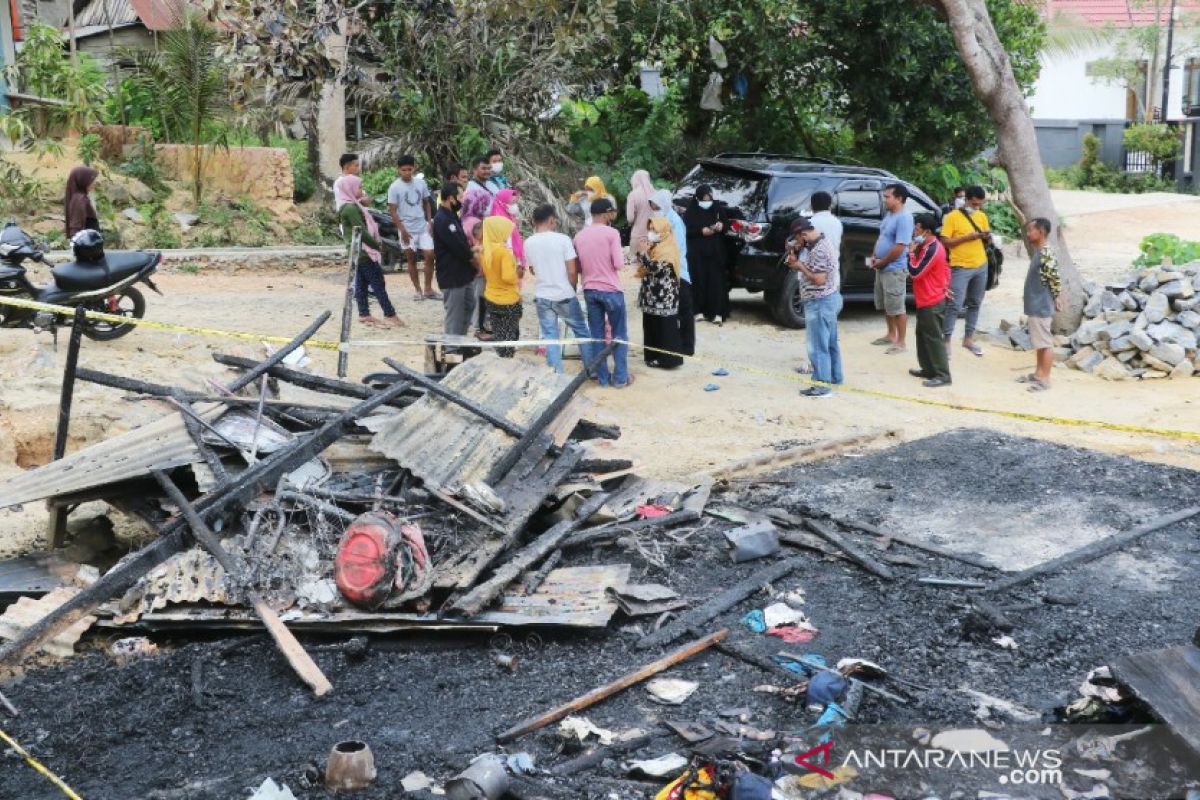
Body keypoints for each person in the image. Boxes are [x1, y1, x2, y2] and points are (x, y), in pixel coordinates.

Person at [526, 204, 593, 373]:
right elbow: (572, 270)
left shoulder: (528, 242)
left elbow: (533, 269)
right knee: (581, 332)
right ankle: (591, 370)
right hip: (564, 294)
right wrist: (571, 288)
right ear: (551, 220)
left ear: (534, 222)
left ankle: (556, 374)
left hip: (542, 295)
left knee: (550, 337)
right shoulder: (563, 240)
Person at [574, 197, 630, 388]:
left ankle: (603, 378)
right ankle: (621, 378)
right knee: (619, 333)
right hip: (611, 290)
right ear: (606, 213)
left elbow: (579, 267)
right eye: (612, 212)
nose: (614, 215)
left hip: (590, 290)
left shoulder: (579, 236)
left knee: (597, 335)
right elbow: (619, 264)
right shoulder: (612, 233)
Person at [786, 217, 842, 398]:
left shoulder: (819, 250)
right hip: (827, 299)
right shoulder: (818, 243)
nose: (797, 242)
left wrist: (800, 266)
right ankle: (835, 377)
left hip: (820, 302)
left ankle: (821, 386)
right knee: (830, 343)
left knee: (817, 347)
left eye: (797, 238)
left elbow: (819, 279)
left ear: (803, 234)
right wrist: (796, 256)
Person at [335, 175, 402, 328]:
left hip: (357, 251)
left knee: (362, 283)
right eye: (358, 187)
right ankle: (389, 314)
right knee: (377, 282)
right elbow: (362, 232)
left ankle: (364, 314)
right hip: (364, 251)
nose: (361, 189)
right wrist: (378, 245)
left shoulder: (350, 206)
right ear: (350, 189)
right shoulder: (351, 209)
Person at [939, 184, 991, 357]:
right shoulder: (952, 217)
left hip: (980, 264)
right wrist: (967, 238)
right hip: (960, 266)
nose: (977, 208)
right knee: (954, 304)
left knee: (975, 303)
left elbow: (984, 238)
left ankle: (968, 338)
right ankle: (946, 340)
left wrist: (986, 237)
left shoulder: (982, 216)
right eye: (974, 204)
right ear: (966, 200)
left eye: (979, 205)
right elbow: (945, 241)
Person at [907, 213, 952, 388]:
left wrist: (910, 254)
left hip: (932, 300)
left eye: (916, 229)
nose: (914, 232)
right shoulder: (926, 246)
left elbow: (916, 272)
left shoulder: (933, 249)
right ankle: (928, 368)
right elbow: (945, 270)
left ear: (926, 231)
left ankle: (942, 374)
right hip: (925, 298)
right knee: (922, 335)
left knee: (933, 338)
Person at [387, 155, 439, 301]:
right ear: (398, 170)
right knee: (411, 258)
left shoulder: (420, 183)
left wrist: (429, 222)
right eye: (404, 170)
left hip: (422, 226)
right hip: (406, 227)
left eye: (410, 169)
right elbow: (392, 210)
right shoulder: (394, 187)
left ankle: (428, 288)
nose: (407, 173)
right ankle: (418, 290)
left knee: (430, 255)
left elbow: (426, 203)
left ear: (414, 168)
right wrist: (402, 230)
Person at [1020, 218, 1063, 392]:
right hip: (1036, 304)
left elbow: (1054, 277)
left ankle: (1045, 379)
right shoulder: (1041, 251)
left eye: (1031, 230)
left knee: (1045, 343)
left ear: (1041, 232)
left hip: (1041, 304)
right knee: (1040, 342)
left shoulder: (1046, 252)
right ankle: (1039, 373)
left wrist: (1058, 296)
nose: (1028, 234)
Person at [650, 189, 695, 356]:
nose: (654, 209)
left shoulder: (675, 221)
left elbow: (678, 247)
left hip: (678, 270)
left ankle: (687, 346)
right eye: (652, 206)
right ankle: (671, 344)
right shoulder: (657, 221)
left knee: (684, 310)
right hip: (661, 272)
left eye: (656, 206)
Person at [869, 183, 913, 353]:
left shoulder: (904, 218)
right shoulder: (889, 215)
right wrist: (874, 256)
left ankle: (901, 342)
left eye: (888, 197)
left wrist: (883, 261)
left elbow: (901, 246)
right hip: (882, 267)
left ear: (899, 198)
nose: (884, 199)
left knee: (897, 306)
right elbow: (882, 237)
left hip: (894, 269)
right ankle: (890, 334)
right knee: (887, 304)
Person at [637, 216, 684, 369]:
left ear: (663, 231)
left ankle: (668, 360)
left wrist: (644, 253)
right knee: (651, 325)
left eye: (654, 230)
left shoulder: (668, 248)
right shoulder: (655, 247)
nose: (650, 233)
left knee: (665, 327)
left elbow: (655, 269)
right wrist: (646, 252)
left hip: (664, 296)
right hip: (651, 295)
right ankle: (652, 357)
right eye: (650, 229)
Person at [432, 184, 479, 337]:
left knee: (468, 307)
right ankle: (452, 350)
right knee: (455, 314)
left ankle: (461, 343)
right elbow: (458, 246)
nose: (462, 201)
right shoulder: (442, 219)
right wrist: (473, 257)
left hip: (463, 274)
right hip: (452, 276)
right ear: (451, 198)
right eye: (460, 197)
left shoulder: (453, 216)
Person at [684, 185, 730, 325]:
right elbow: (687, 231)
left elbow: (726, 224)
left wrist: (721, 226)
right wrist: (701, 231)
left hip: (715, 253)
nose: (707, 202)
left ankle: (717, 313)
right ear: (697, 199)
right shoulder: (691, 211)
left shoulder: (717, 208)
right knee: (698, 281)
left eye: (708, 199)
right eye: (703, 199)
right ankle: (698, 311)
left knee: (716, 282)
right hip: (697, 255)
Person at [481, 216, 523, 357]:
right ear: (499, 232)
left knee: (498, 331)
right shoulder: (503, 252)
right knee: (511, 333)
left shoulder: (485, 250)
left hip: (491, 296)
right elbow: (507, 277)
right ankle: (508, 358)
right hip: (508, 299)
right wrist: (517, 274)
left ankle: (501, 357)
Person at [489, 189, 526, 267]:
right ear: (503, 202)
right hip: (508, 257)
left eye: (516, 202)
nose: (515, 206)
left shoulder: (508, 215)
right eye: (512, 203)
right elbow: (505, 243)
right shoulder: (498, 218)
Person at [65, 166, 99, 238]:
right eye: (91, 180)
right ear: (82, 180)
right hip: (87, 246)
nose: (95, 183)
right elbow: (76, 229)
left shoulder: (81, 197)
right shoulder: (79, 199)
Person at [626, 170, 656, 252]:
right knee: (652, 262)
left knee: (636, 263)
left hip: (638, 235)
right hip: (653, 235)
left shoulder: (633, 195)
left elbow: (630, 218)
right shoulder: (654, 193)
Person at [462, 156, 497, 221]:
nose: (487, 171)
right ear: (474, 170)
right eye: (483, 168)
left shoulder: (492, 185)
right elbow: (468, 211)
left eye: (489, 168)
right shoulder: (469, 187)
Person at [809, 191, 842, 256]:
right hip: (833, 263)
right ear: (830, 206)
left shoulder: (809, 223)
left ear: (811, 206)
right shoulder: (837, 222)